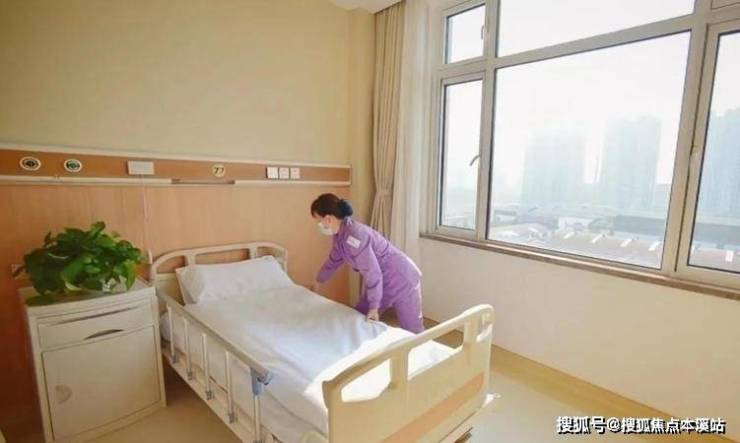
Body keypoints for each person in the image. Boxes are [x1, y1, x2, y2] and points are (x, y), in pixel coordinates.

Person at [310, 193, 424, 333]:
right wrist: (318, 281)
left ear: (328, 219)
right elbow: (333, 261)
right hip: (384, 280)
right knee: (360, 318)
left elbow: (372, 272)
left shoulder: (354, 235)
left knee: (413, 330)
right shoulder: (340, 235)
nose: (319, 226)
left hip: (403, 277)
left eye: (319, 221)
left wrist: (374, 306)